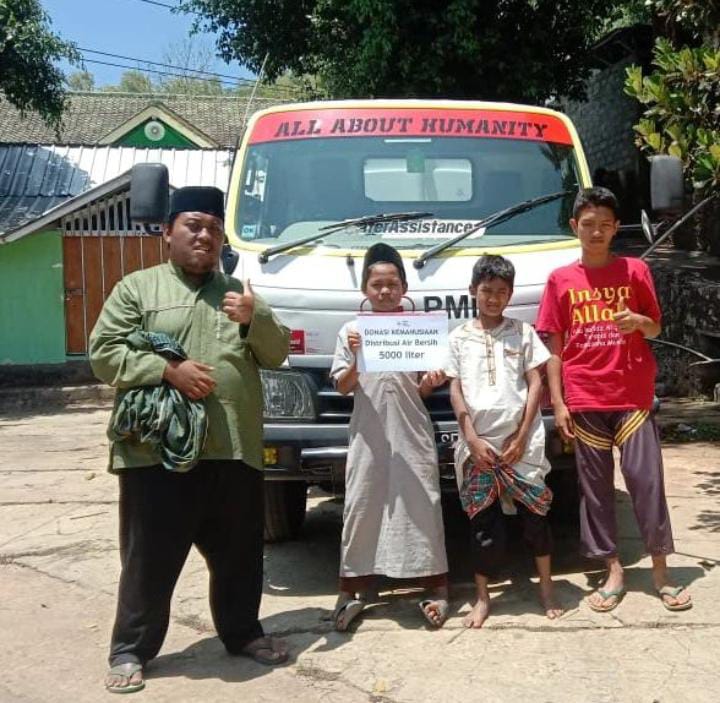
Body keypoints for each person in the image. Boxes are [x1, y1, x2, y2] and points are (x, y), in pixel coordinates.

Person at [90, 186, 291, 695]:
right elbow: (104, 354)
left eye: (212, 228)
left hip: (233, 447)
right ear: (168, 232)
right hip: (156, 452)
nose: (204, 236)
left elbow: (277, 353)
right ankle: (131, 649)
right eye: (193, 226)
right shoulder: (137, 289)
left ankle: (243, 633)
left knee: (240, 557)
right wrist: (166, 369)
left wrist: (256, 318)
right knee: (149, 558)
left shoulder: (238, 292)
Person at [535, 186, 692, 613]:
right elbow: (554, 346)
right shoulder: (560, 280)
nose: (597, 232)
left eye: (605, 224)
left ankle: (661, 570)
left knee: (647, 482)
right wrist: (560, 403)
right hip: (585, 397)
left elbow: (656, 329)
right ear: (574, 227)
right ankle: (613, 569)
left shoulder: (636, 271)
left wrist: (639, 321)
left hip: (632, 395)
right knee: (596, 490)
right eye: (589, 225)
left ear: (615, 227)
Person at [330, 242, 449, 631]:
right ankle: (353, 590)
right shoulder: (351, 332)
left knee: (421, 501)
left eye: (392, 284)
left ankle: (435, 587)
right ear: (365, 289)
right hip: (368, 432)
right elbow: (344, 387)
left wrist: (431, 381)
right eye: (377, 284)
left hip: (412, 429)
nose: (385, 292)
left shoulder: (416, 329)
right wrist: (359, 358)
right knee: (363, 503)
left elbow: (423, 385)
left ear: (404, 288)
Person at [446, 254, 562, 628]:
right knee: (484, 528)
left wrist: (523, 433)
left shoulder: (522, 332)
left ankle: (546, 588)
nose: (493, 298)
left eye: (500, 292)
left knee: (536, 520)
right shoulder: (458, 338)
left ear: (510, 295)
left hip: (522, 447)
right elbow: (455, 390)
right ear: (472, 292)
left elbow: (536, 383)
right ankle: (482, 598)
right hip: (478, 448)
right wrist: (472, 438)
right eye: (486, 291)